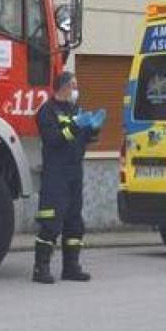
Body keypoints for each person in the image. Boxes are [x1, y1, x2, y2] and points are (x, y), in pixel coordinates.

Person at [32, 72, 105, 284]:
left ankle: (71, 267)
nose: (76, 89)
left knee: (74, 223)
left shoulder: (75, 109)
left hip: (75, 171)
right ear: (63, 87)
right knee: (51, 222)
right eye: (73, 85)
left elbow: (82, 139)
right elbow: (53, 139)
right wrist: (74, 127)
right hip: (56, 173)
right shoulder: (47, 111)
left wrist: (92, 129)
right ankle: (41, 268)